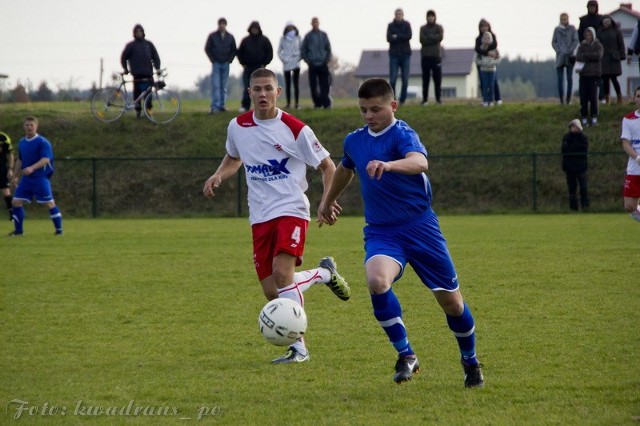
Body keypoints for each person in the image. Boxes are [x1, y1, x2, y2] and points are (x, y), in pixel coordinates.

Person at [318, 78, 484, 387]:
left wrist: (389, 165)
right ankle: (406, 354)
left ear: (392, 106)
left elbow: (420, 162)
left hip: (421, 228)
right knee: (377, 281)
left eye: (376, 109)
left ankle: (470, 360)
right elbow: (345, 168)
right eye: (363, 110)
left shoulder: (403, 133)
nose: (369, 116)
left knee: (453, 304)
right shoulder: (354, 140)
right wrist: (328, 200)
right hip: (382, 231)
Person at [202, 68, 351, 363]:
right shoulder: (237, 126)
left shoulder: (296, 129)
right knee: (273, 290)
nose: (262, 94)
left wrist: (325, 201)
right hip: (259, 216)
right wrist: (219, 175)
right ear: (249, 93)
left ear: (278, 92)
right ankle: (324, 274)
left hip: (291, 209)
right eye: (256, 89)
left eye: (268, 88)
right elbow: (234, 157)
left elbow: (328, 166)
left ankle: (299, 348)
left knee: (283, 276)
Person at [9, 116, 62, 236]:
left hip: (40, 178)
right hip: (26, 180)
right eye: (27, 125)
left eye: (31, 125)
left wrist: (32, 168)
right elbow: (20, 161)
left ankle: (59, 230)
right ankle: (18, 232)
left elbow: (45, 159)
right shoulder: (22, 142)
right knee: (16, 202)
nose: (29, 127)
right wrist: (15, 176)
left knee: (49, 203)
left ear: (36, 127)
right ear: (24, 126)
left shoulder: (43, 142)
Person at [120, 24, 161, 118]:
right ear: (134, 33)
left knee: (148, 95)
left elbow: (155, 57)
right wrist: (125, 69)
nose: (138, 33)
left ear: (143, 32)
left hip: (148, 74)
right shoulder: (130, 45)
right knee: (137, 95)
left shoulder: (148, 44)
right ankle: (138, 112)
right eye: (136, 31)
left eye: (140, 31)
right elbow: (123, 58)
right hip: (137, 75)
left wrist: (157, 68)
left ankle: (149, 112)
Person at [237, 21, 273, 112]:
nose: (254, 30)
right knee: (247, 87)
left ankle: (260, 106)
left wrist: (265, 63)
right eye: (253, 28)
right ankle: (245, 106)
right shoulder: (245, 40)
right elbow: (239, 53)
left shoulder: (265, 40)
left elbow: (269, 53)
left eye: (256, 29)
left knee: (261, 88)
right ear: (250, 29)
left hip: (260, 68)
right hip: (248, 68)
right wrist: (243, 63)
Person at [204, 17, 237, 114]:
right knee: (216, 85)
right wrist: (212, 60)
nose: (221, 25)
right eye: (220, 24)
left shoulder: (230, 37)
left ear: (226, 25)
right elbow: (207, 48)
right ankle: (214, 106)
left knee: (223, 86)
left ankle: (222, 106)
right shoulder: (212, 36)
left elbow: (234, 50)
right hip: (216, 64)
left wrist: (229, 60)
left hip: (226, 64)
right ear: (218, 25)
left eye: (223, 24)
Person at [301, 17, 332, 109]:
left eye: (316, 22)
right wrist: (307, 60)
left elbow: (328, 48)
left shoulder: (323, 35)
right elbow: (303, 49)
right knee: (313, 86)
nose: (315, 24)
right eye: (313, 22)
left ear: (319, 23)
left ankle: (326, 104)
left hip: (323, 64)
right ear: (311, 24)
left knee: (325, 85)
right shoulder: (308, 36)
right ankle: (317, 104)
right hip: (312, 64)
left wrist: (327, 59)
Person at [620, 86, 640, 222]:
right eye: (638, 96)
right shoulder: (628, 119)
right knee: (629, 206)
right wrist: (637, 157)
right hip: (635, 167)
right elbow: (626, 143)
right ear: (634, 99)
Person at [576, 27, 603, 127]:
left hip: (594, 75)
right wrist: (591, 56)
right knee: (583, 98)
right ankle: (583, 117)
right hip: (583, 75)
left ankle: (594, 116)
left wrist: (586, 55)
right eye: (586, 34)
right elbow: (578, 57)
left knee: (593, 97)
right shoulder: (581, 45)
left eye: (590, 34)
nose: (588, 36)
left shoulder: (598, 45)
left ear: (593, 35)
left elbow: (598, 56)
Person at [578, 1, 604, 103]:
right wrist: (584, 45)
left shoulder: (600, 19)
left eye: (593, 7)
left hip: (597, 46)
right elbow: (580, 34)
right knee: (585, 80)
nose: (592, 8)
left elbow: (602, 33)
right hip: (585, 47)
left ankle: (602, 97)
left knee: (600, 77)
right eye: (590, 7)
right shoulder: (583, 20)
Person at [562, 119, 590, 212]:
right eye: (572, 126)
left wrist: (572, 148)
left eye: (575, 126)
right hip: (569, 168)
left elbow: (583, 149)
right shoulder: (566, 137)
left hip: (581, 167)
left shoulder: (583, 138)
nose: (573, 128)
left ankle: (585, 207)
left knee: (583, 187)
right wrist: (575, 148)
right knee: (572, 189)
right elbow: (564, 150)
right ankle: (573, 208)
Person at [597, 16, 626, 105]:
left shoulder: (616, 31)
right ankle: (607, 99)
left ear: (611, 22)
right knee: (605, 80)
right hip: (603, 59)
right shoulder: (599, 31)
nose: (607, 23)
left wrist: (622, 55)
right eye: (605, 21)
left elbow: (621, 44)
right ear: (602, 22)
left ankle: (619, 98)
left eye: (608, 21)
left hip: (614, 58)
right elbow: (597, 44)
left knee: (614, 79)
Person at [552, 13, 579, 105]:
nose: (563, 21)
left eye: (564, 19)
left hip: (569, 56)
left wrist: (570, 50)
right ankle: (561, 100)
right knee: (560, 80)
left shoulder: (572, 29)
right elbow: (553, 42)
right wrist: (558, 50)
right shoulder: (557, 29)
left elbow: (576, 40)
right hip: (560, 57)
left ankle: (568, 99)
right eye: (561, 19)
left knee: (569, 78)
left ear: (568, 19)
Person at [386, 8, 412, 105]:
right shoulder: (390, 25)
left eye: (400, 14)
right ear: (394, 15)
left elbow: (409, 36)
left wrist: (397, 36)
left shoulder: (407, 25)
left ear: (402, 15)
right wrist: (401, 37)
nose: (398, 15)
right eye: (397, 14)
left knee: (405, 79)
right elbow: (389, 38)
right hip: (394, 55)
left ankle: (402, 100)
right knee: (392, 79)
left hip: (405, 54)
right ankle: (393, 99)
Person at [475, 19, 502, 105]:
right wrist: (488, 53)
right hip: (482, 64)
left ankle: (497, 98)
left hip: (491, 64)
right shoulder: (478, 39)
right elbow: (477, 49)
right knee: (483, 83)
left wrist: (488, 50)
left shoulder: (493, 36)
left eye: (486, 26)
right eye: (482, 26)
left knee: (494, 82)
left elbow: (494, 45)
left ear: (489, 26)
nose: (484, 28)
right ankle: (485, 99)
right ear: (479, 28)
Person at [419, 10, 444, 106]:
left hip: (436, 57)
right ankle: (425, 100)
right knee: (425, 79)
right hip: (425, 56)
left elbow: (440, 37)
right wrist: (434, 38)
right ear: (426, 18)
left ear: (434, 17)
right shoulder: (422, 28)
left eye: (432, 16)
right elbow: (422, 40)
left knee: (437, 79)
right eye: (429, 16)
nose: (430, 18)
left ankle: (438, 99)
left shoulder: (439, 27)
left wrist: (429, 37)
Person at [278, 22, 302, 110]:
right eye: (289, 28)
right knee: (288, 84)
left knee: (296, 84)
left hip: (296, 63)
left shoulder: (298, 38)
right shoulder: (283, 39)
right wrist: (284, 59)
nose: (290, 30)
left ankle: (297, 103)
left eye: (292, 28)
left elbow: (302, 49)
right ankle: (288, 103)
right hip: (287, 63)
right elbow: (279, 51)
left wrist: (299, 58)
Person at [0, 127, 14, 220]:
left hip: (1, 168)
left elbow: (10, 154)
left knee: (6, 191)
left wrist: (10, 168)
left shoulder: (4, 138)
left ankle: (12, 214)